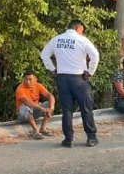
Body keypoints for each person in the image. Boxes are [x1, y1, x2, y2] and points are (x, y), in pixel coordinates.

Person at [40, 19, 101, 148]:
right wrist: (90, 72)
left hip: (62, 78)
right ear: (78, 27)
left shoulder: (56, 39)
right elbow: (95, 55)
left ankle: (68, 139)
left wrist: (52, 69)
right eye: (82, 30)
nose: (83, 33)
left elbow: (44, 54)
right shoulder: (82, 40)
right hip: (79, 79)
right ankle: (91, 137)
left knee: (67, 110)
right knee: (86, 108)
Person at [15, 71, 56, 139]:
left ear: (35, 79)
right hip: (23, 115)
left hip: (34, 112)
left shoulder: (38, 85)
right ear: (23, 79)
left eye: (30, 79)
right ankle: (35, 131)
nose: (28, 82)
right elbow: (27, 102)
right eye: (26, 79)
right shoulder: (20, 88)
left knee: (49, 103)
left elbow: (50, 95)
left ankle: (43, 128)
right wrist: (42, 109)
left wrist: (51, 108)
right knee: (25, 107)